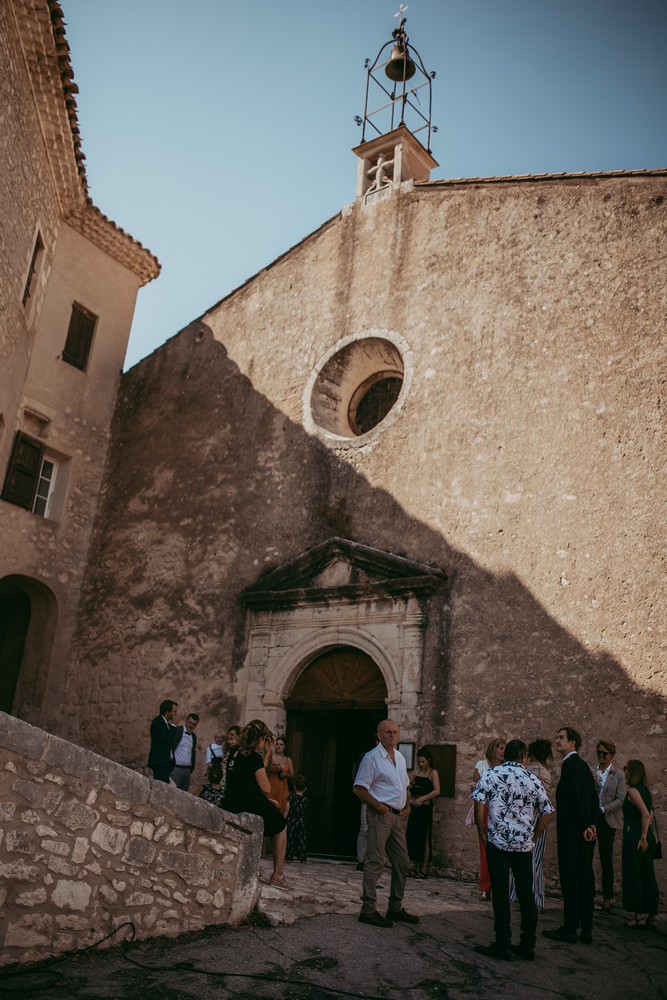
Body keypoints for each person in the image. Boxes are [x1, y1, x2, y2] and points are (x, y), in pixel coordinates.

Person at [472, 739, 554, 961]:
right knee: (526, 894)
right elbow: (547, 812)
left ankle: (503, 943)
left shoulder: (492, 774)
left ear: (505, 755)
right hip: (523, 846)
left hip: (498, 843)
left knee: (500, 893)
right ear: (524, 757)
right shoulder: (532, 779)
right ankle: (528, 944)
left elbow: (479, 803)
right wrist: (534, 836)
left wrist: (482, 831)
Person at [353, 719, 419, 928]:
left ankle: (395, 907)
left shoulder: (399, 757)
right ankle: (368, 909)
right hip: (380, 815)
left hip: (398, 817)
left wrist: (407, 806)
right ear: (379, 735)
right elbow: (359, 788)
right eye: (388, 732)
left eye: (395, 732)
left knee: (401, 862)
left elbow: (404, 785)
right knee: (375, 861)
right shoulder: (371, 758)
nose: (392, 736)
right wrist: (378, 807)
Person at [543, 726, 598, 945]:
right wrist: (592, 825)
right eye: (556, 737)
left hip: (573, 833)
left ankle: (569, 928)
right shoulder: (584, 767)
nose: (557, 741)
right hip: (585, 832)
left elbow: (575, 798)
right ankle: (586, 929)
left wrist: (584, 825)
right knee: (584, 878)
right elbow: (594, 799)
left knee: (571, 879)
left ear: (573, 742)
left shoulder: (570, 765)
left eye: (561, 738)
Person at [223, 719, 289, 889]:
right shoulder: (253, 757)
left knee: (270, 806)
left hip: (231, 802)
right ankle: (278, 875)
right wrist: (267, 755)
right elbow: (266, 788)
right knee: (281, 825)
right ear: (260, 740)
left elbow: (245, 781)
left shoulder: (234, 753)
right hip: (249, 804)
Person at [509, 738, 553, 910]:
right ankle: (534, 897)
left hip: (528, 817)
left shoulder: (532, 770)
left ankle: (525, 896)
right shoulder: (545, 771)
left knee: (526, 858)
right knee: (535, 859)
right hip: (540, 816)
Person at [621, 759, 659, 929]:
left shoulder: (633, 791)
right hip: (645, 835)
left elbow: (645, 814)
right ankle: (651, 914)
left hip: (636, 834)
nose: (624, 771)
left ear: (633, 771)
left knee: (633, 873)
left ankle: (639, 915)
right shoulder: (646, 791)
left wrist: (642, 837)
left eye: (626, 768)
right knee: (647, 874)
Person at [592, 738, 626, 915]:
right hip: (592, 820)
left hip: (607, 819)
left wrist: (603, 809)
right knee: (586, 857)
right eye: (598, 753)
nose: (600, 756)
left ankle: (607, 898)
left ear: (611, 755)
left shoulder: (618, 774)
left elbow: (620, 799)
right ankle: (588, 895)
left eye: (604, 753)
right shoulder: (592, 771)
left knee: (606, 860)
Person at [470, 738, 506, 899]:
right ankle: (485, 887)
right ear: (493, 749)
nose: (503, 751)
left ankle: (499, 885)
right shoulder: (481, 765)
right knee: (485, 849)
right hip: (485, 809)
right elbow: (474, 787)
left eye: (504, 748)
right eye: (500, 748)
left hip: (501, 811)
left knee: (502, 850)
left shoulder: (506, 767)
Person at [406, 747, 440, 878]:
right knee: (413, 836)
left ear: (429, 761)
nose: (421, 764)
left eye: (423, 762)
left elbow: (437, 791)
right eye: (419, 762)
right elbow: (409, 787)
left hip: (425, 809)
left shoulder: (433, 773)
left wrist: (422, 799)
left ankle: (424, 868)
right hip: (414, 808)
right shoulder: (416, 772)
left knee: (424, 837)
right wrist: (410, 800)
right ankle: (414, 866)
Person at [147, 699, 178, 783]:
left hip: (165, 763)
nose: (175, 714)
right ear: (167, 711)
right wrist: (174, 725)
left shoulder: (166, 724)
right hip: (159, 762)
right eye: (174, 711)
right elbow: (167, 738)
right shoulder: (158, 722)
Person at [266, 736, 294, 817]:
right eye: (277, 744)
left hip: (282, 788)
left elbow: (293, 774)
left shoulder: (288, 759)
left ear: (285, 747)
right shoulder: (270, 756)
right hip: (270, 786)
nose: (278, 746)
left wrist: (286, 774)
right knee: (269, 809)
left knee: (281, 812)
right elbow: (263, 769)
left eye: (281, 744)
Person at [171, 712, 199, 791]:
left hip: (187, 771)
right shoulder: (177, 731)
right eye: (190, 722)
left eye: (194, 724)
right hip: (176, 768)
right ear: (186, 720)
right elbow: (170, 747)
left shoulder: (194, 737)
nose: (191, 725)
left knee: (183, 796)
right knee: (172, 792)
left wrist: (191, 769)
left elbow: (193, 753)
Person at [286, 775, 309, 862]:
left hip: (292, 819)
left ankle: (289, 854)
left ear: (295, 787)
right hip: (301, 820)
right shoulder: (306, 799)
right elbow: (306, 810)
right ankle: (302, 856)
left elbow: (287, 809)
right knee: (301, 838)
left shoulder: (290, 798)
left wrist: (284, 818)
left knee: (291, 837)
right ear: (305, 788)